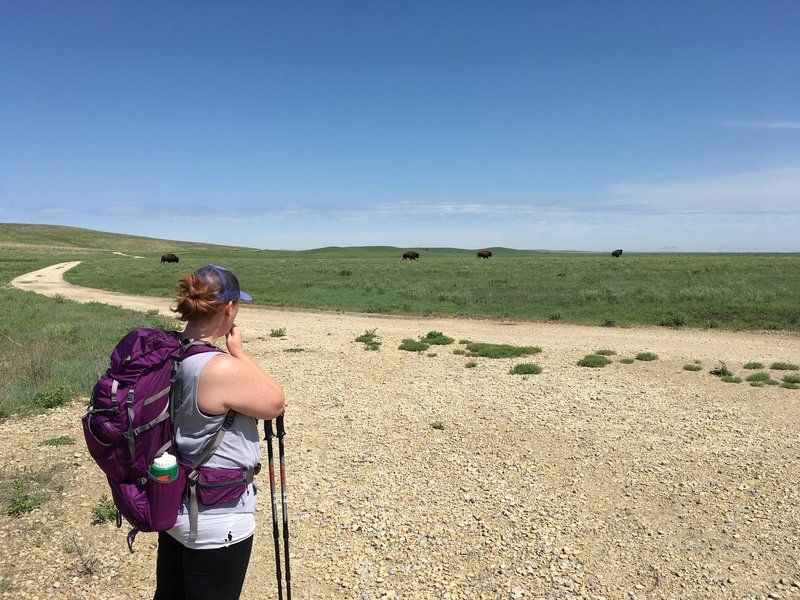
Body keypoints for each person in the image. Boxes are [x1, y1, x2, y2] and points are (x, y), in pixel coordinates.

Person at [154, 264, 286, 600]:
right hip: (217, 516)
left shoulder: (168, 353)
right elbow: (275, 402)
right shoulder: (219, 367)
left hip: (172, 502)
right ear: (229, 308)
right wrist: (239, 353)